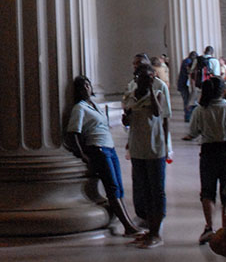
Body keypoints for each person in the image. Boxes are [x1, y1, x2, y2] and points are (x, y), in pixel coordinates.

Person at [64, 75, 142, 237]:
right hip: (98, 148)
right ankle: (127, 226)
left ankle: (128, 222)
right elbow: (73, 133)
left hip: (109, 148)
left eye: (88, 84)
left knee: (119, 187)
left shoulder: (95, 105)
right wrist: (82, 154)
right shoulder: (80, 108)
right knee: (112, 187)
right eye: (82, 86)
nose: (86, 88)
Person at [187, 76, 226, 245]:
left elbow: (193, 132)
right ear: (223, 91)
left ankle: (209, 227)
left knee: (207, 192)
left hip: (208, 152)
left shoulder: (199, 110)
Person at [122, 63, 169, 248]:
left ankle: (157, 233)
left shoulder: (157, 93)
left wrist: (150, 89)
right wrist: (126, 117)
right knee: (143, 190)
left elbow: (158, 113)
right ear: (136, 78)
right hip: (137, 148)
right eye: (143, 78)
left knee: (156, 191)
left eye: (150, 77)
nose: (147, 80)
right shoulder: (131, 96)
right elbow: (127, 121)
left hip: (154, 148)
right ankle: (149, 229)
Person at [178, 50, 198, 122]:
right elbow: (189, 71)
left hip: (183, 84)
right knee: (187, 101)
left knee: (187, 101)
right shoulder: (188, 62)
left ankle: (188, 116)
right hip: (184, 84)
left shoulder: (186, 61)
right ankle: (187, 116)